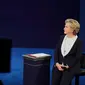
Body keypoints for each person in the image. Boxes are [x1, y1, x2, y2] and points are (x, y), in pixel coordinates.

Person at [52, 19, 82, 85]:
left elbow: (78, 57)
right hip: (59, 65)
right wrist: (57, 63)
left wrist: (68, 66)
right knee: (54, 82)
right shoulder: (61, 38)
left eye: (66, 27)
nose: (64, 28)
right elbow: (56, 52)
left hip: (71, 67)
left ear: (72, 29)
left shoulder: (78, 42)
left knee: (63, 83)